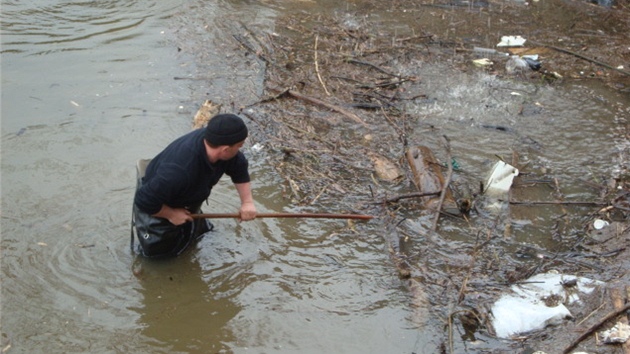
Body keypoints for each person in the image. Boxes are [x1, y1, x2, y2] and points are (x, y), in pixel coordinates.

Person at [131, 113, 257, 257]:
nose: (240, 149)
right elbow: (143, 200)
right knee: (161, 257)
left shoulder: (216, 141)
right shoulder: (179, 171)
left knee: (201, 236)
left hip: (186, 198)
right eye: (239, 146)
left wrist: (247, 203)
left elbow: (238, 165)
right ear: (225, 149)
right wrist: (171, 214)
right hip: (157, 204)